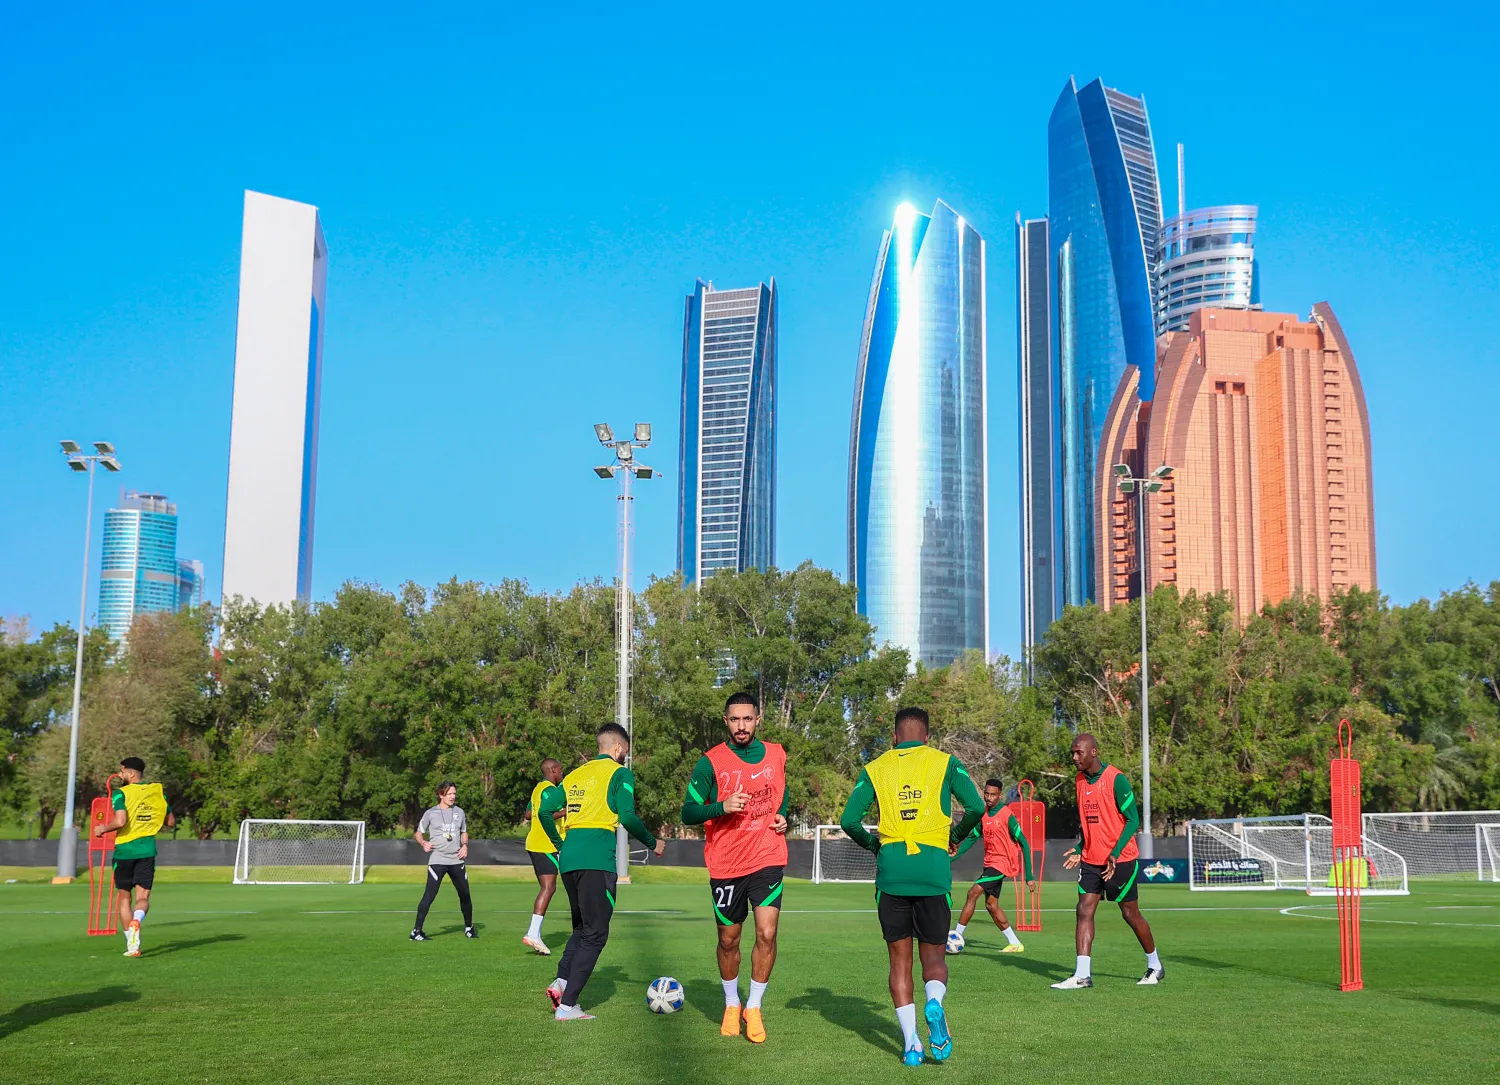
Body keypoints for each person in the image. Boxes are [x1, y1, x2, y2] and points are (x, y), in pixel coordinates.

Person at [840, 707, 983, 1067]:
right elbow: (977, 806)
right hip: (932, 868)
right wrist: (954, 836)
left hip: (893, 870)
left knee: (898, 962)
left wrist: (875, 845)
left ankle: (911, 1046)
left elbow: (849, 820)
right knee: (933, 958)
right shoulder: (945, 762)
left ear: (894, 736)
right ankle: (934, 1002)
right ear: (927, 737)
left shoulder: (876, 768)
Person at [680, 691, 790, 1044]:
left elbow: (781, 791)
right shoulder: (709, 763)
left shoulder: (776, 753)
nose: (741, 726)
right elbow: (688, 812)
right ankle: (731, 1003)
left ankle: (754, 1007)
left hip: (767, 856)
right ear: (725, 721)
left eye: (747, 719)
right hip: (726, 863)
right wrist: (722, 805)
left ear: (758, 719)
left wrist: (783, 814)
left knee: (767, 934)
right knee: (729, 940)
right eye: (734, 719)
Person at [538, 723, 666, 1021]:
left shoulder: (574, 775)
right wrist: (652, 843)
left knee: (583, 929)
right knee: (596, 934)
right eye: (627, 752)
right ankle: (568, 1006)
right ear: (619, 748)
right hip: (597, 859)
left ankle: (561, 982)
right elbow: (628, 816)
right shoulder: (620, 773)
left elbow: (545, 811)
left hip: (570, 860)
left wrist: (560, 844)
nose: (626, 757)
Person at [1052, 733, 1164, 989]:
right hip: (1092, 860)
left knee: (1130, 914)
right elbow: (1091, 823)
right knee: (1084, 910)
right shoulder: (1080, 781)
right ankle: (1082, 975)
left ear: (1094, 752)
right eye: (1072, 752)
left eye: (1078, 752)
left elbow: (1132, 820)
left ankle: (1155, 965)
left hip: (1121, 860)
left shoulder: (1117, 779)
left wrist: (1115, 852)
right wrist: (1081, 847)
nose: (1074, 757)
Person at [92, 756, 174, 957]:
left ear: (131, 774)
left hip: (124, 851)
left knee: (124, 898)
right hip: (146, 850)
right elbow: (170, 822)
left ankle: (132, 945)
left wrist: (103, 828)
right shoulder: (157, 793)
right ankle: (138, 919)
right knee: (143, 897)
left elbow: (120, 821)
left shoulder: (121, 794)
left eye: (121, 772)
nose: (119, 775)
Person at [949, 779, 1036, 953]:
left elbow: (1025, 843)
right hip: (990, 863)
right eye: (986, 793)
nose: (988, 797)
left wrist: (1030, 876)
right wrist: (950, 859)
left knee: (972, 893)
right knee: (991, 905)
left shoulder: (1007, 815)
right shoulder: (983, 815)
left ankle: (956, 937)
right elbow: (972, 838)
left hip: (1002, 863)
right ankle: (1015, 943)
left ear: (1000, 795)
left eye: (992, 794)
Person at [410, 781, 475, 941]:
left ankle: (469, 928)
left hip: (457, 860)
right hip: (437, 859)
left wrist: (465, 845)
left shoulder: (460, 812)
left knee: (465, 895)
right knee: (429, 895)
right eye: (450, 794)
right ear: (441, 794)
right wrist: (423, 842)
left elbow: (464, 832)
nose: (453, 796)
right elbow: (418, 833)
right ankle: (416, 931)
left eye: (454, 793)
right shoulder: (430, 813)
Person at [523, 758, 566, 954]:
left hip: (535, 843)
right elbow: (544, 813)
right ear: (553, 770)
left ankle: (536, 935)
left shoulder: (537, 789)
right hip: (545, 844)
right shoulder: (550, 789)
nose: (562, 774)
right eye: (561, 770)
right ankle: (533, 933)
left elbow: (528, 814)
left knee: (548, 887)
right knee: (548, 888)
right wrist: (568, 811)